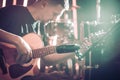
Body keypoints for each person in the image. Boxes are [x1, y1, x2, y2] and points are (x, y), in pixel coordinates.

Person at [0, 0, 79, 80]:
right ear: (44, 4)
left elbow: (47, 59)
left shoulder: (40, 28)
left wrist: (74, 52)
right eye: (55, 14)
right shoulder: (13, 12)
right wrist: (18, 41)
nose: (54, 19)